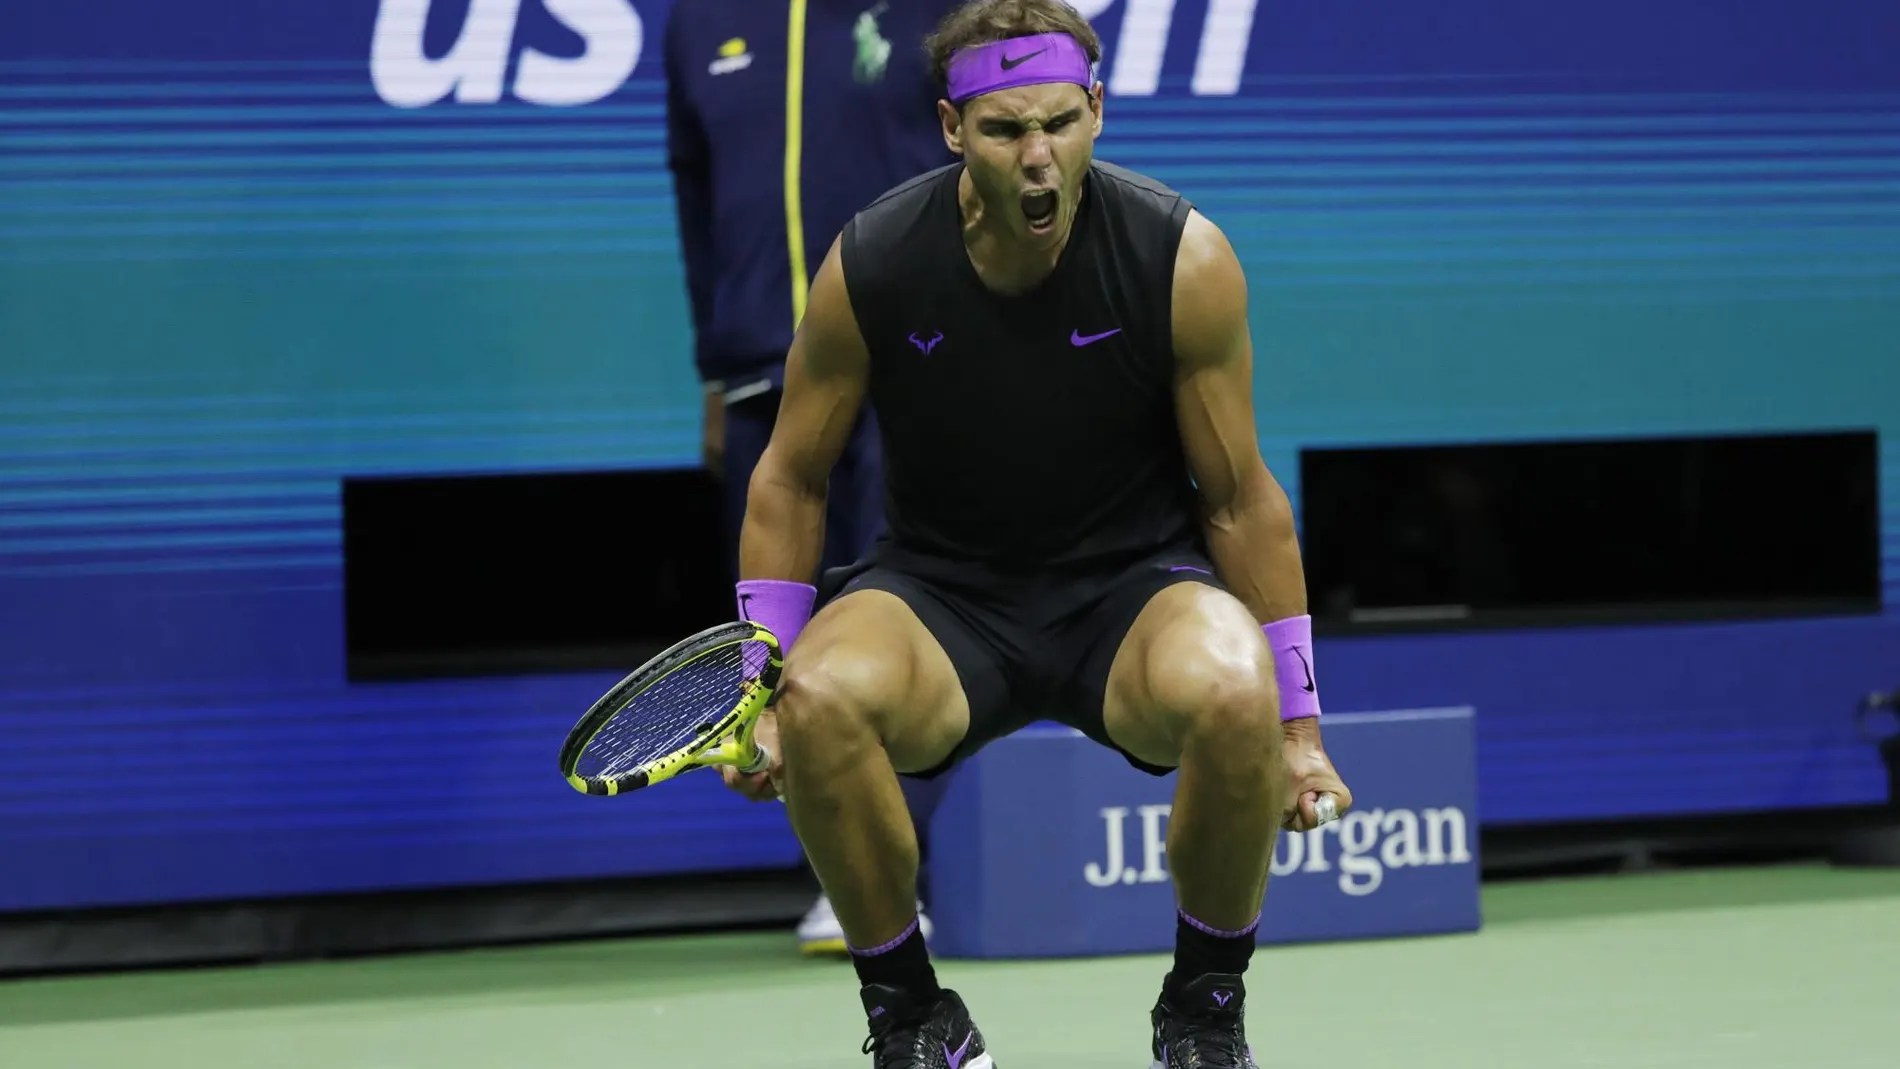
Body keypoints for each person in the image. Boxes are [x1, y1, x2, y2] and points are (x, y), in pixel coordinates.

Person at [720, 0, 1355, 1064]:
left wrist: (1299, 726)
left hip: (1131, 593)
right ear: (950, 127)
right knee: (821, 695)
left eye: (1059, 123)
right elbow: (788, 479)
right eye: (1006, 129)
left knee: (1235, 682)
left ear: (1097, 111)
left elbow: (1240, 499)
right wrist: (758, 683)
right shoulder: (873, 261)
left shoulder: (1178, 258)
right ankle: (913, 1018)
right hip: (939, 596)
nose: (1037, 157)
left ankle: (1202, 1012)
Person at [662, 0, 963, 955]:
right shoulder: (700, 21)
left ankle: (896, 872)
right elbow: (695, 195)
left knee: (904, 607)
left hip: (908, 360)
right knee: (781, 639)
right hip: (760, 374)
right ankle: (847, 864)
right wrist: (716, 372)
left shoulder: (936, 11)